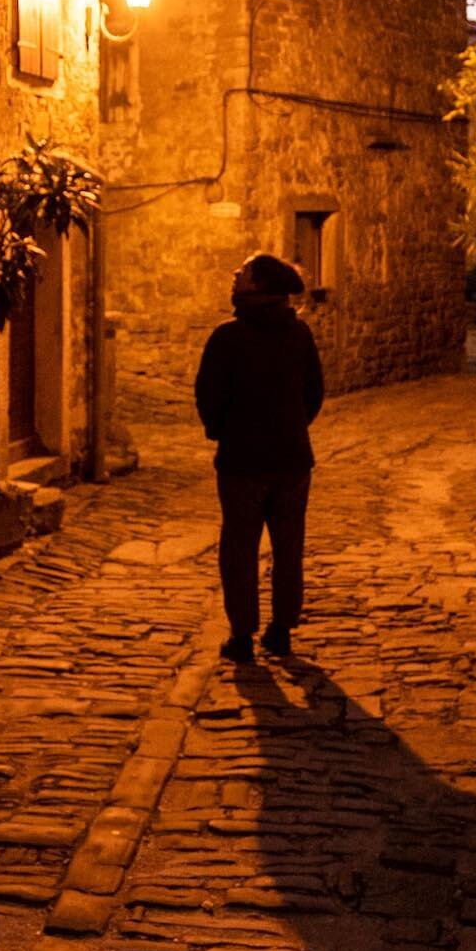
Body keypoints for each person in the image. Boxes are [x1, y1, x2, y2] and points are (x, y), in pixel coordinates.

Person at [194, 252, 324, 663]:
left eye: (244, 272)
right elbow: (314, 393)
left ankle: (242, 636)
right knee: (289, 548)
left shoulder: (228, 337)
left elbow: (208, 396)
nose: (235, 274)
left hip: (242, 462)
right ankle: (282, 629)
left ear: (260, 285)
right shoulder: (299, 334)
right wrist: (292, 427)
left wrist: (222, 432)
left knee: (239, 548)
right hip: (292, 461)